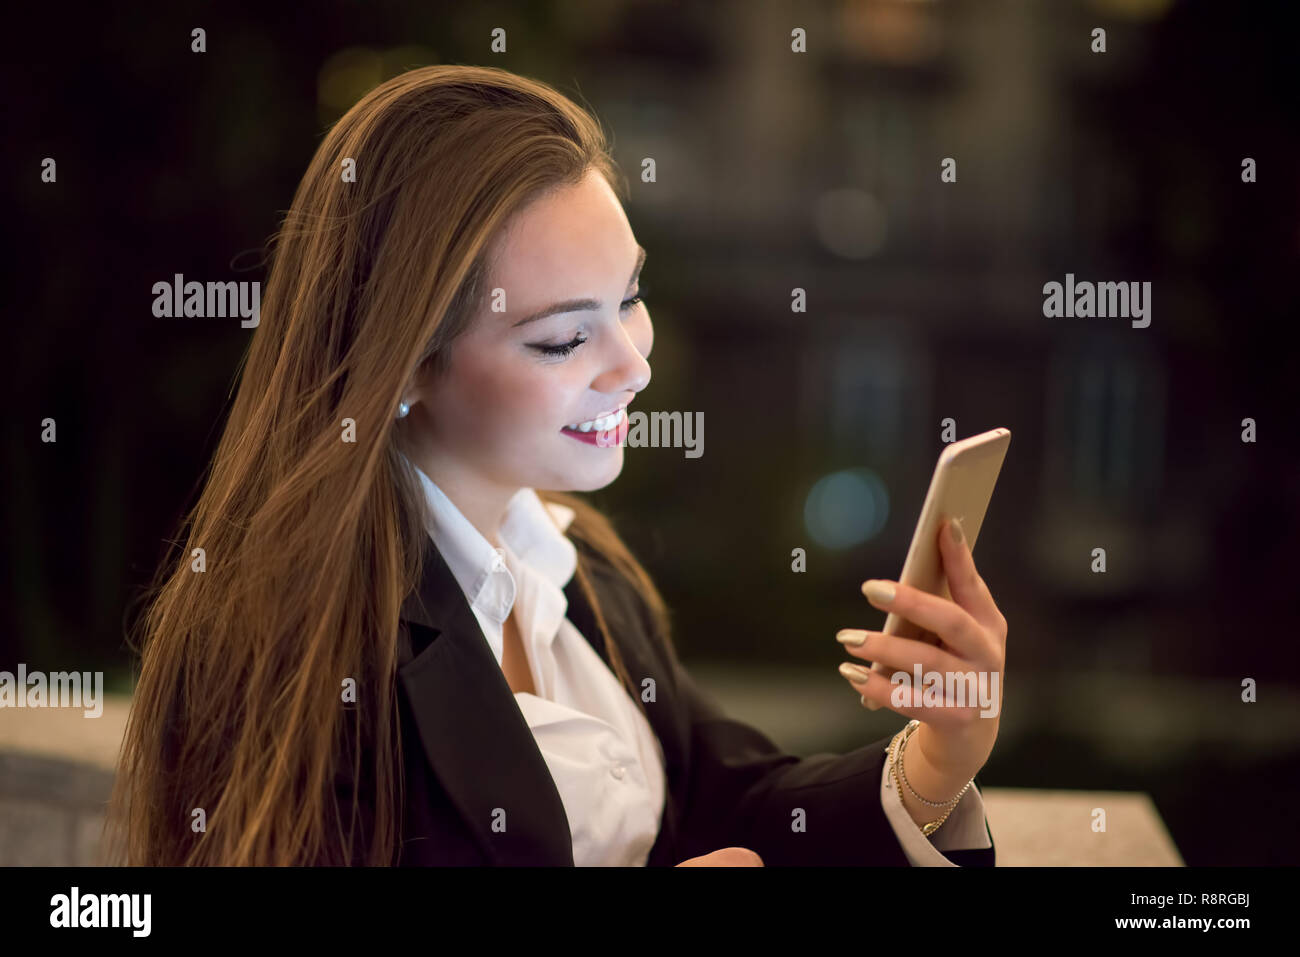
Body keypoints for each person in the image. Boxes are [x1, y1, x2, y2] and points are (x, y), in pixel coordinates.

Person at [105, 64, 1008, 867]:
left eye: (631, 297)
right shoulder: (285, 645)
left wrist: (938, 757)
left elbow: (722, 803)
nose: (634, 364)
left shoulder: (581, 569)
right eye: (565, 337)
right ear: (406, 366)